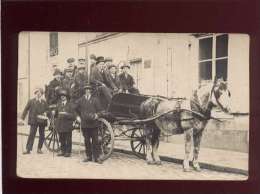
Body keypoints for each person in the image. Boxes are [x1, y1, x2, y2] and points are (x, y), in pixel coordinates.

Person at [75, 83, 103, 164]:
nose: (87, 91)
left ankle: (96, 157)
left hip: (94, 124)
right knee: (86, 141)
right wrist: (77, 117)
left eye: (89, 90)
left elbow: (100, 111)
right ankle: (89, 156)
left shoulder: (95, 100)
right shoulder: (80, 100)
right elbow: (74, 109)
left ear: (91, 91)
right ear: (84, 91)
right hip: (84, 124)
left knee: (95, 141)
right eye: (86, 90)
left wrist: (97, 115)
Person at [20, 87, 48, 154]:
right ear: (35, 93)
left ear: (42, 94)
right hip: (34, 120)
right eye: (37, 92)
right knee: (32, 134)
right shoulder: (31, 101)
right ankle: (28, 149)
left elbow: (47, 110)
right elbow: (26, 110)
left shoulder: (44, 102)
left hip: (42, 120)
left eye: (40, 93)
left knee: (42, 135)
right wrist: (22, 119)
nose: (38, 94)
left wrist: (46, 113)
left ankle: (39, 149)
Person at [55, 89, 76, 157]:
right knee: (61, 138)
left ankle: (68, 152)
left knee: (68, 139)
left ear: (66, 97)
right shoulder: (58, 104)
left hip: (67, 125)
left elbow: (73, 116)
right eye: (61, 96)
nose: (62, 97)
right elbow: (56, 115)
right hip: (60, 124)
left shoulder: (70, 105)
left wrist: (66, 114)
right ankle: (62, 151)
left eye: (64, 96)